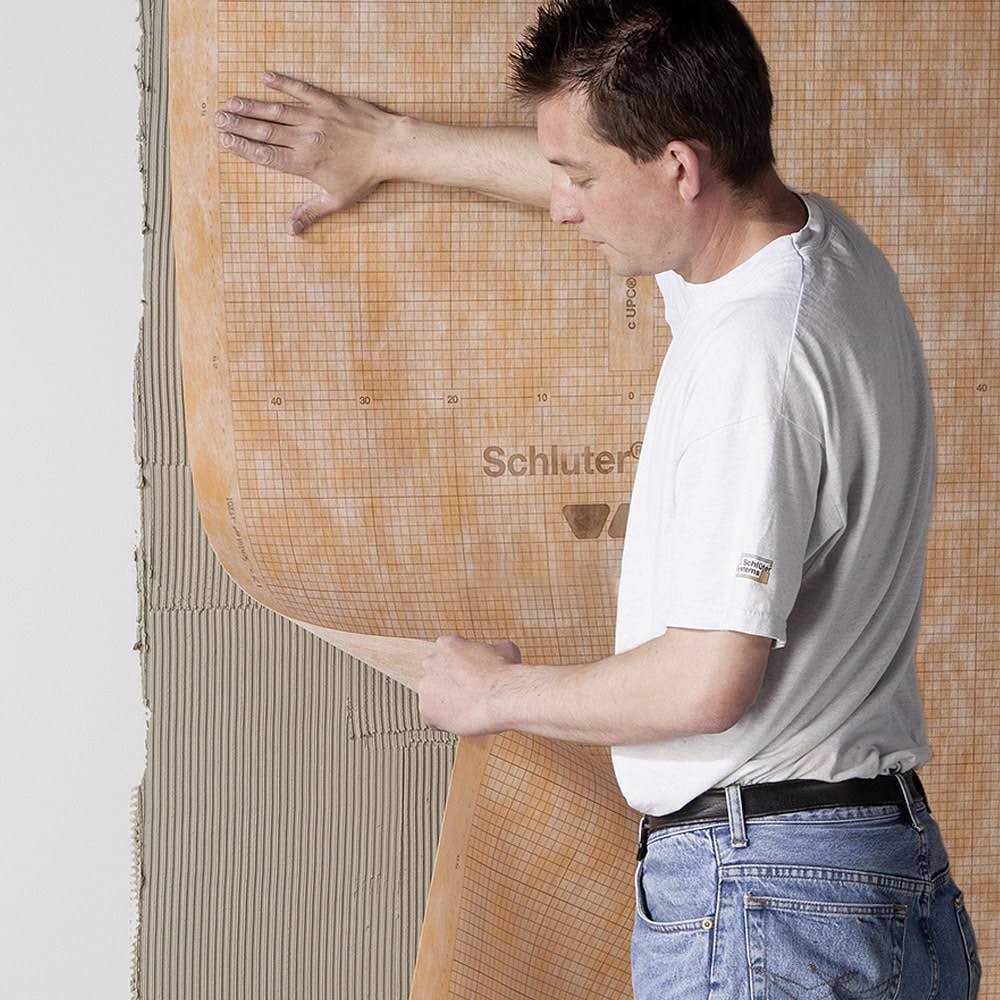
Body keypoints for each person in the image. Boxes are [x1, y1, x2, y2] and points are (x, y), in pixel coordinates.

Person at [213, 1, 982, 996]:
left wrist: (492, 695)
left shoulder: (755, 361)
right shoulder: (810, 252)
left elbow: (706, 680)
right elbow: (609, 176)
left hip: (770, 906)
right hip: (862, 875)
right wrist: (390, 147)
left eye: (579, 178)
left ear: (679, 169)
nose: (563, 206)